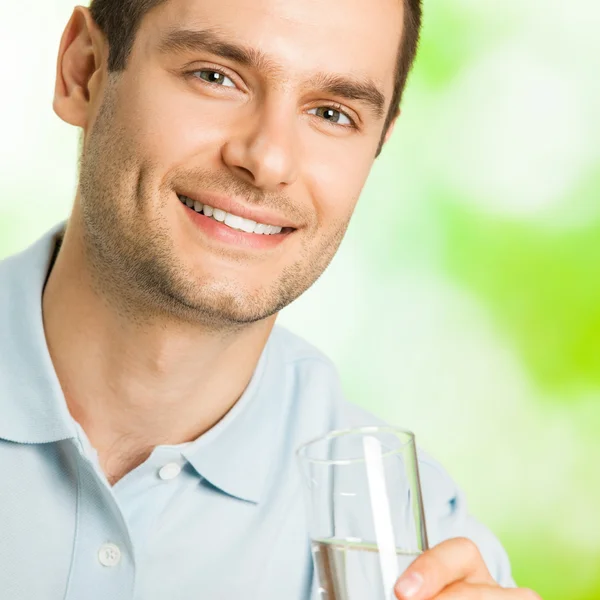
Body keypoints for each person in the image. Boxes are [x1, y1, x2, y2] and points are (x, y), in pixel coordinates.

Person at [0, 0, 541, 598]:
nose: (268, 160)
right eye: (215, 76)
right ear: (84, 70)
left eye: (333, 113)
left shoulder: (416, 542)